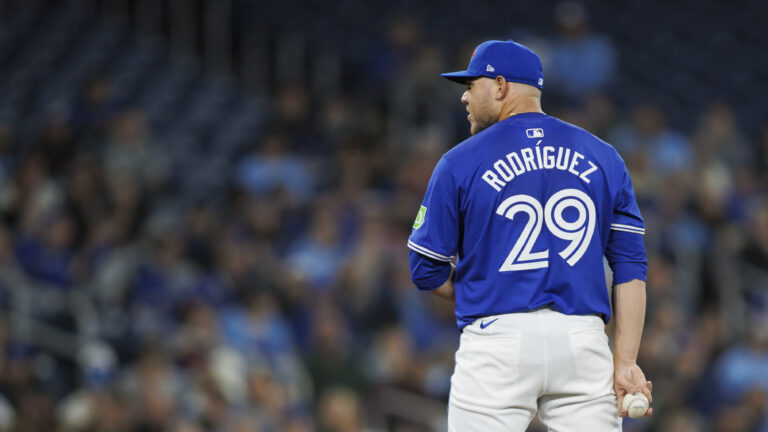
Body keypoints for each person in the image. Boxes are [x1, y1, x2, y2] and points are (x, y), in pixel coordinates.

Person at [407, 40, 652, 430]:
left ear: (500, 86)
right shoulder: (605, 157)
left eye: (472, 85)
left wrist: (483, 289)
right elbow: (631, 270)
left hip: (496, 341)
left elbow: (425, 270)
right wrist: (625, 362)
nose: (464, 98)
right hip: (582, 342)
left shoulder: (459, 161)